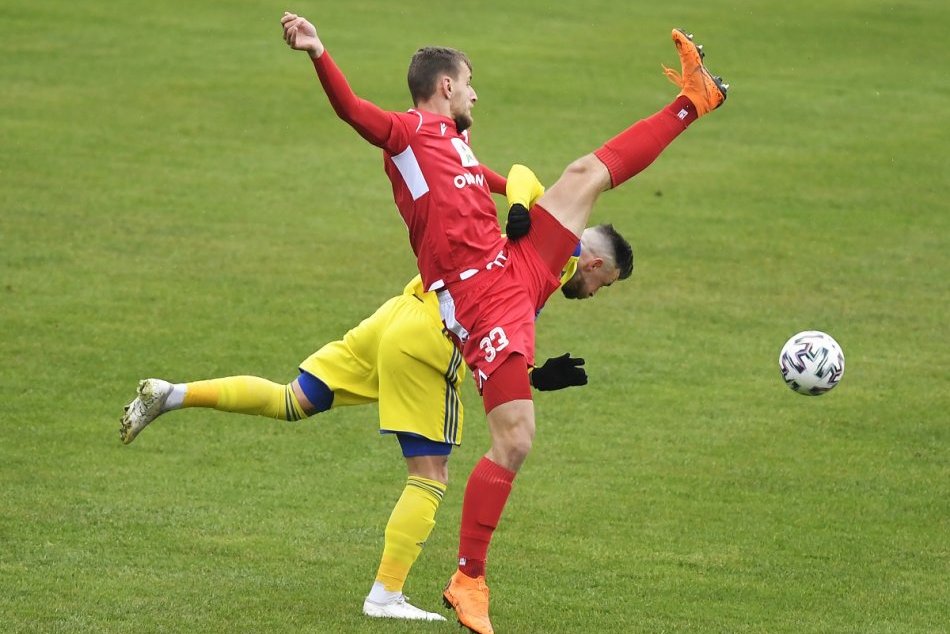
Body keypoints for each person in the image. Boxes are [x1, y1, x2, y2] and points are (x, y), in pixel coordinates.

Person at [280, 13, 726, 632]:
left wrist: (518, 203)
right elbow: (353, 110)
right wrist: (318, 52)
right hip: (477, 296)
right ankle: (468, 578)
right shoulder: (407, 133)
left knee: (583, 175)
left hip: (509, 269)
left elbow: (515, 177)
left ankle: (693, 102)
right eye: (470, 83)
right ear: (444, 87)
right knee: (515, 440)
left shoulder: (458, 142)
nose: (475, 93)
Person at [119, 181, 633, 621]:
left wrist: (535, 375)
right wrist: (518, 203)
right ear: (591, 262)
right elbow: (520, 192)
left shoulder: (549, 244)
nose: (592, 292)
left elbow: (501, 322)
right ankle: (385, 595)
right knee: (430, 476)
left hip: (400, 312)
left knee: (292, 399)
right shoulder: (562, 255)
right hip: (433, 342)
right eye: (600, 283)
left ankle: (171, 395)